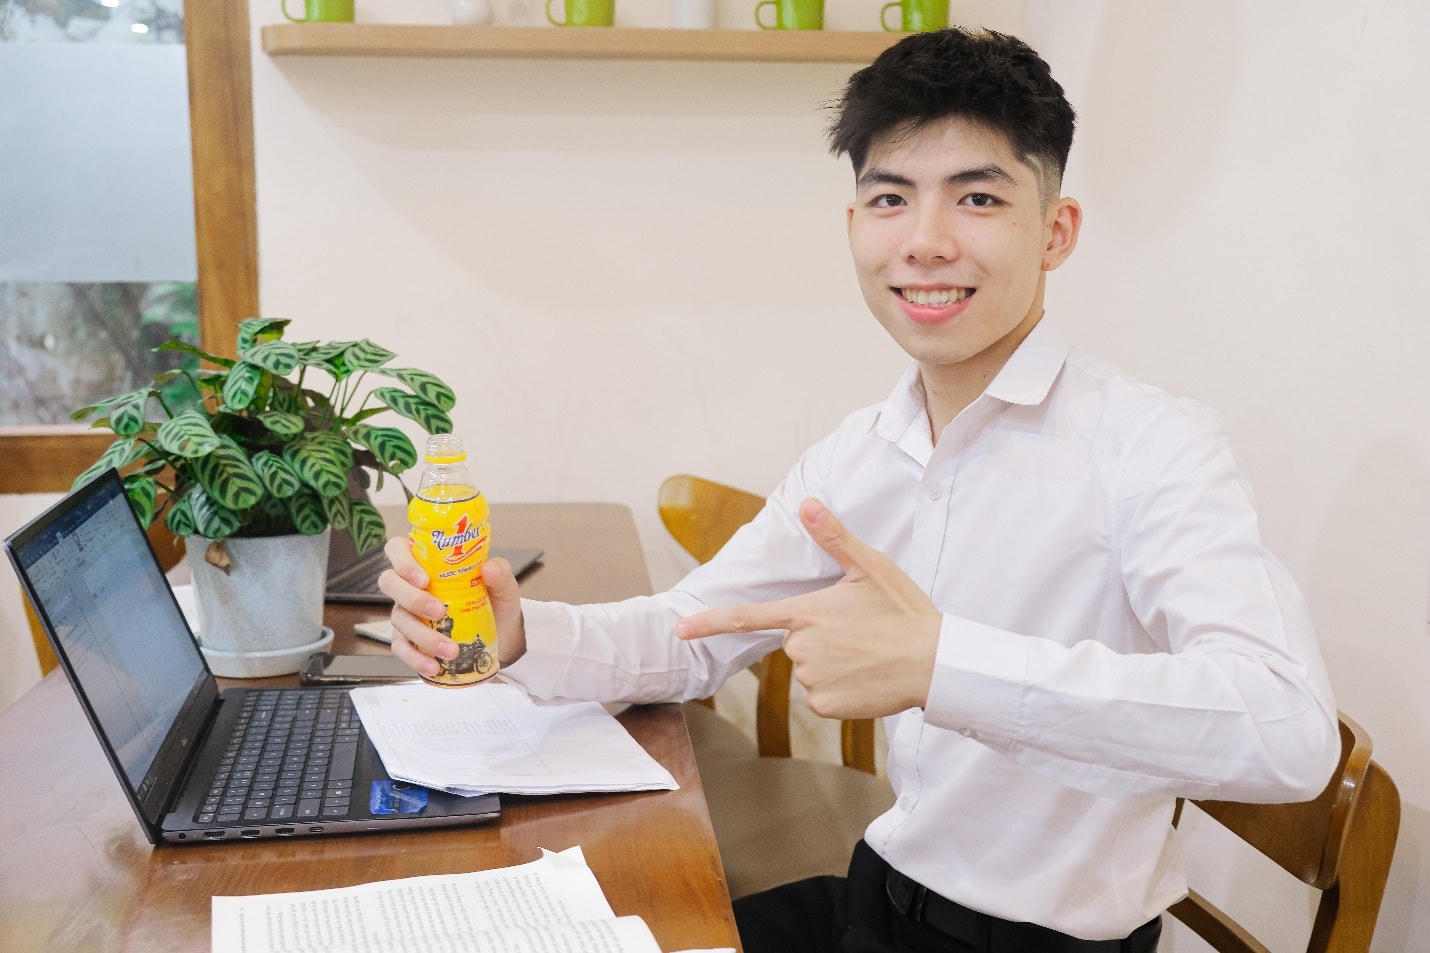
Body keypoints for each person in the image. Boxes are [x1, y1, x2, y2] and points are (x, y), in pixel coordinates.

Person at [380, 27, 1339, 953]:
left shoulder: (1151, 446)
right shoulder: (864, 451)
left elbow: (1288, 730)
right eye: (891, 199)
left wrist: (942, 664)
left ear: (1057, 231)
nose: (924, 242)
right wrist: (520, 633)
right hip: (877, 894)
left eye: (977, 198)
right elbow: (693, 631)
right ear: (854, 227)